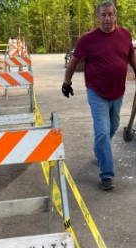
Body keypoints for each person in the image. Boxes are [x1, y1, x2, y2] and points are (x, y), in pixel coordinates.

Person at [63, 0, 136, 190]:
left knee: (113, 127)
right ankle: (107, 175)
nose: (107, 18)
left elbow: (131, 57)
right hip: (97, 93)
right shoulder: (88, 39)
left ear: (115, 16)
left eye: (110, 14)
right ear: (98, 17)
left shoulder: (125, 35)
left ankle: (99, 149)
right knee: (103, 131)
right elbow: (74, 61)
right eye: (103, 15)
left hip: (118, 92)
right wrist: (66, 82)